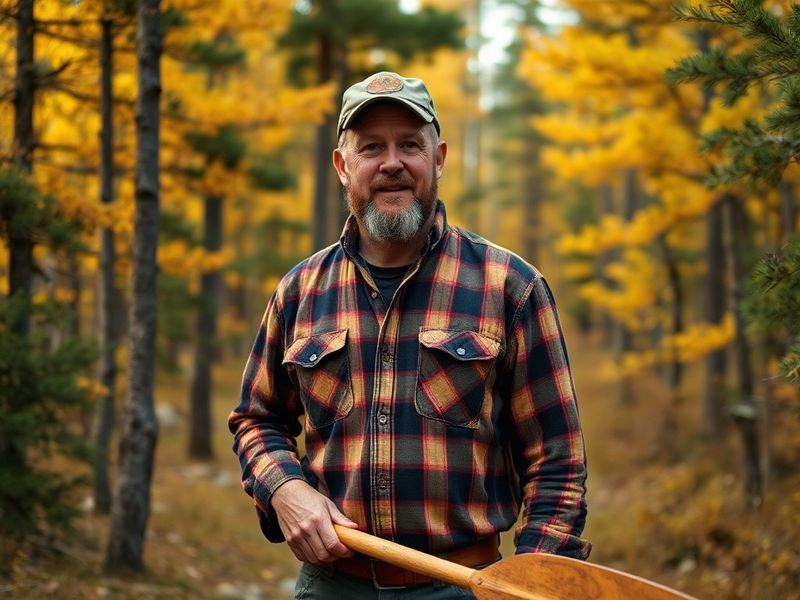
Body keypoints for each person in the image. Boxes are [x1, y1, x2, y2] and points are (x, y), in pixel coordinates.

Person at [229, 71, 590, 599]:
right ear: (342, 165)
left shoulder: (510, 287)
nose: (392, 162)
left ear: (438, 158)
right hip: (331, 587)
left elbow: (556, 456)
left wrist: (537, 580)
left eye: (410, 145)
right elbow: (257, 420)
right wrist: (284, 488)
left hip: (462, 587)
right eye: (371, 146)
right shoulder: (300, 290)